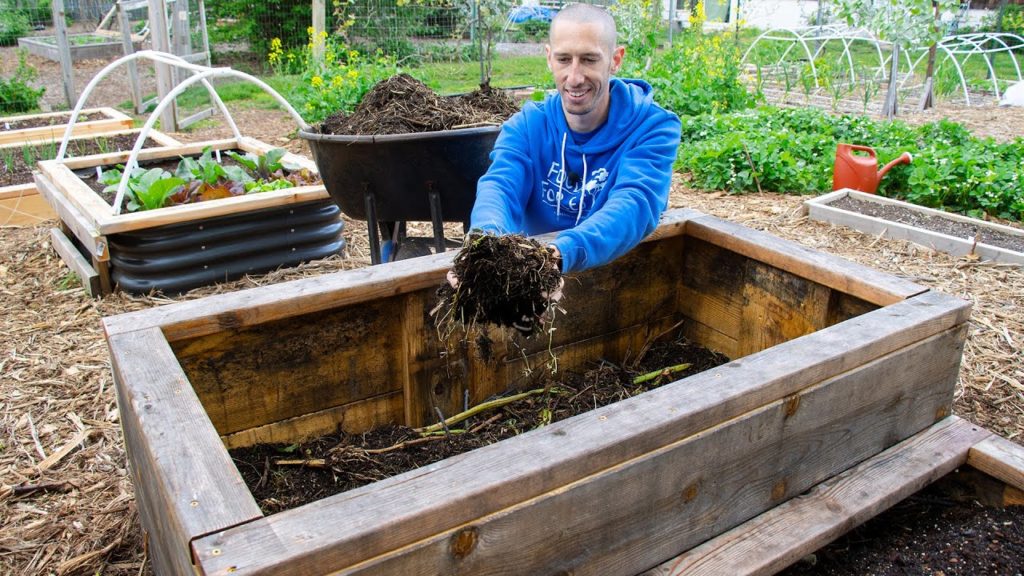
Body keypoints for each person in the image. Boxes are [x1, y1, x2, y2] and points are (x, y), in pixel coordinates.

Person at [468, 2, 682, 274]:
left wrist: (558, 256)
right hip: (530, 278)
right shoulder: (527, 126)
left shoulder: (653, 127)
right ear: (549, 58)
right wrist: (486, 246)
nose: (575, 77)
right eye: (564, 59)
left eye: (589, 59)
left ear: (615, 60)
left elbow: (635, 202)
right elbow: (499, 187)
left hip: (614, 276)